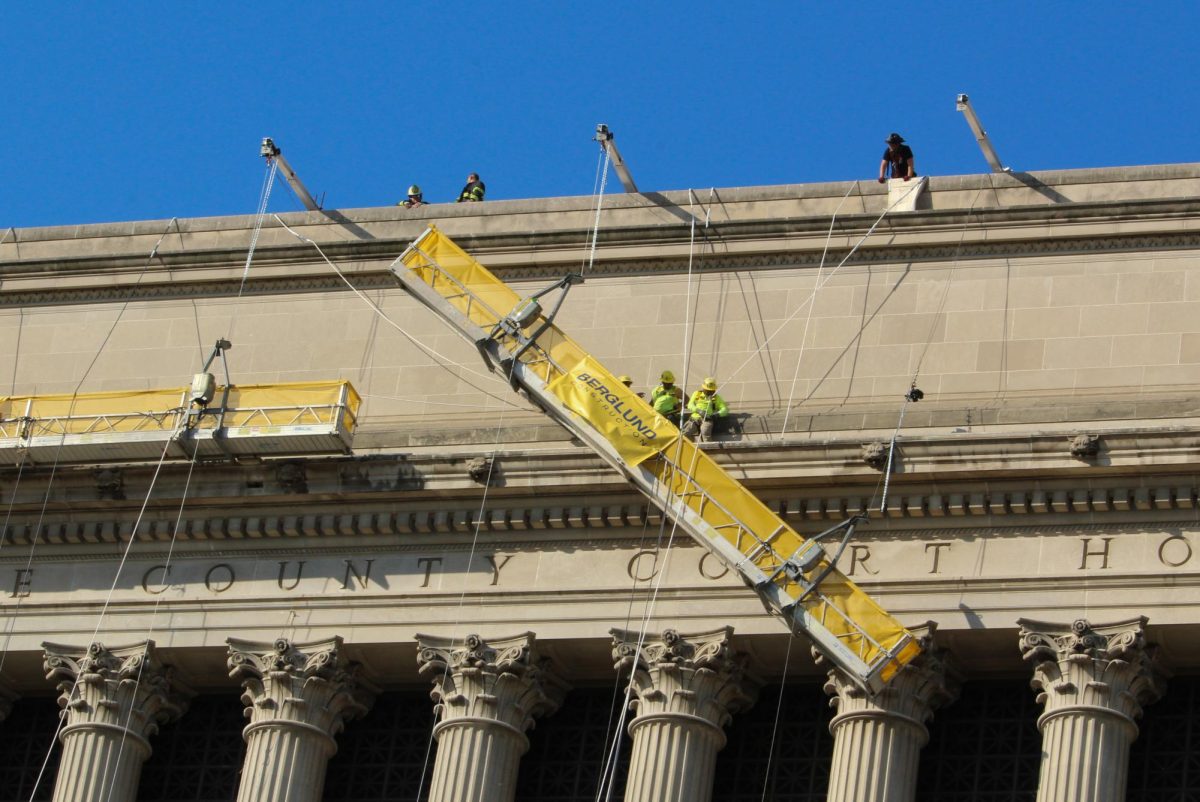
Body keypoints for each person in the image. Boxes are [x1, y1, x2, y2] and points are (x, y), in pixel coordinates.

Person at [682, 377, 729, 441]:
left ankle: (708, 448)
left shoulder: (716, 398)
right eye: (708, 390)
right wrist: (698, 410)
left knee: (705, 432)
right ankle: (690, 446)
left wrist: (716, 415)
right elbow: (690, 405)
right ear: (703, 388)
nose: (710, 392)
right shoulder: (697, 394)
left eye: (712, 391)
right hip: (694, 418)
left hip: (707, 419)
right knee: (685, 433)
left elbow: (725, 409)